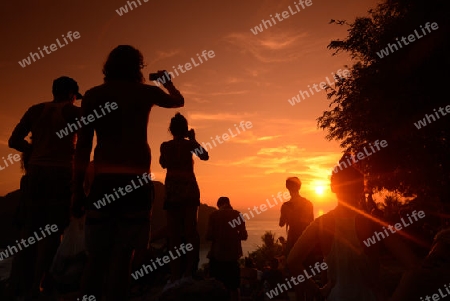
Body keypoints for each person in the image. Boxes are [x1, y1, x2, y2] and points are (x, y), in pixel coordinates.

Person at [71, 45, 184, 300]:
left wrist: (76, 190)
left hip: (103, 182)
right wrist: (168, 82)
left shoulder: (93, 95)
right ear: (138, 67)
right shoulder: (145, 93)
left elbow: (83, 148)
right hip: (135, 183)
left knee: (96, 258)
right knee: (123, 258)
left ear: (108, 67)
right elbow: (179, 101)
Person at [287, 154, 419, 301]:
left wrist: (317, 291)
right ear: (361, 188)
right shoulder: (373, 223)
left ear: (332, 187)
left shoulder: (321, 224)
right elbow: (412, 265)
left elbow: (292, 262)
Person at [8, 76, 82, 299]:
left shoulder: (35, 110)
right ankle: (38, 285)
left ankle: (19, 284)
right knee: (52, 232)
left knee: (29, 230)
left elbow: (14, 141)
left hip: (35, 173)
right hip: (59, 174)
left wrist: (33, 150)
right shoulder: (72, 112)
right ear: (71, 94)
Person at [159, 113, 209, 289]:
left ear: (171, 130)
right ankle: (189, 272)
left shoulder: (164, 146)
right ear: (185, 129)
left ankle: (174, 275)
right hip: (188, 191)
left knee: (173, 236)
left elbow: (163, 164)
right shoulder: (189, 145)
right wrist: (193, 139)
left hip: (172, 191)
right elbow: (205, 156)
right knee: (190, 233)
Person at [206, 197, 248, 301]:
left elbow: (208, 236)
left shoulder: (213, 215)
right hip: (232, 257)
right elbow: (244, 236)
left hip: (216, 256)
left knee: (215, 287)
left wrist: (220, 235)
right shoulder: (237, 214)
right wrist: (232, 235)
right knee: (234, 288)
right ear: (228, 203)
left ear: (219, 205)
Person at [279, 177, 314, 255]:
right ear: (299, 187)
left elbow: (281, 223)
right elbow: (312, 222)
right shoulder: (308, 203)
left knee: (291, 262)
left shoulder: (286, 206)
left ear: (287, 188)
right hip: (306, 238)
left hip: (292, 239)